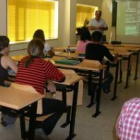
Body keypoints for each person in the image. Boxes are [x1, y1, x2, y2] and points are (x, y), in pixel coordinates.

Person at [15, 39, 65, 137]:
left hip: (20, 103)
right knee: (62, 105)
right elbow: (61, 78)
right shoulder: (45, 64)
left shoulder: (22, 61)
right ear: (43, 52)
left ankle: (36, 126)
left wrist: (47, 79)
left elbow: (34, 74)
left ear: (28, 50)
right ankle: (42, 129)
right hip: (34, 106)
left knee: (43, 100)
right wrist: (49, 79)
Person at [0, 36, 18, 126]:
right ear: (5, 47)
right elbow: (19, 72)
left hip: (1, 87)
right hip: (1, 90)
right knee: (18, 92)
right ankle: (9, 118)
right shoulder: (6, 58)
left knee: (8, 85)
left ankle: (5, 114)